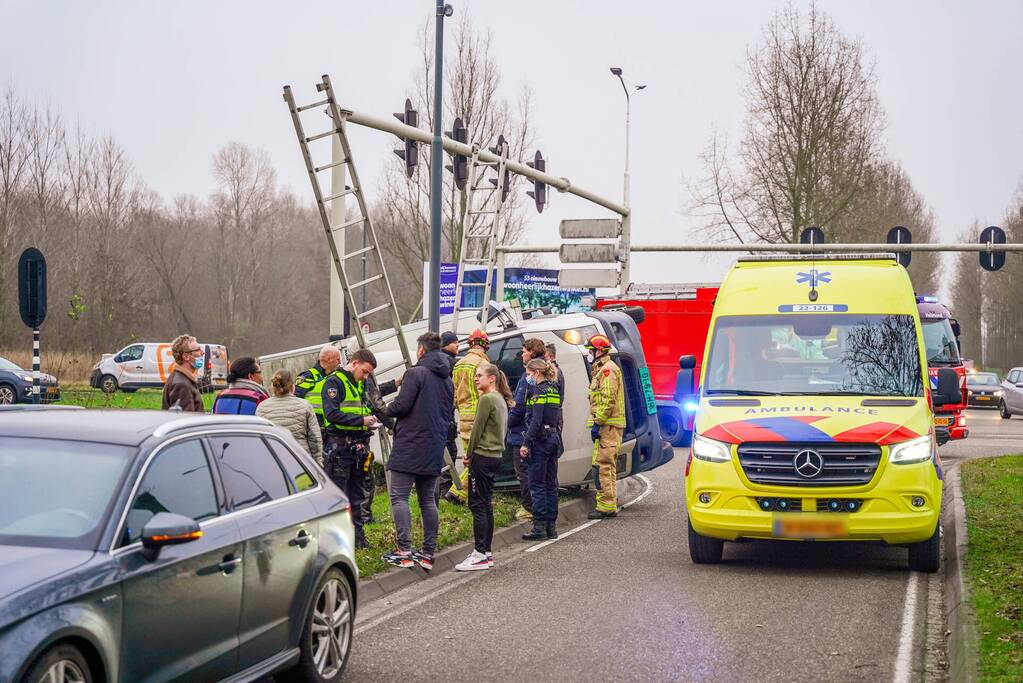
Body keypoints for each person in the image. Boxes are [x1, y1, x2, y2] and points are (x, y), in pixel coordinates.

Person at [381, 332, 455, 571]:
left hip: (410, 444)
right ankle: (427, 552)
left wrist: (382, 408)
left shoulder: (415, 373)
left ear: (421, 350)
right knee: (427, 501)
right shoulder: (447, 379)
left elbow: (401, 406)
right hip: (434, 446)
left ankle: (404, 550)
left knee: (399, 497)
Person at [455, 363, 514, 571]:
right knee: (486, 504)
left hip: (482, 456)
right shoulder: (500, 399)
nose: (475, 379)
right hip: (495, 455)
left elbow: (476, 429)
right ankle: (486, 552)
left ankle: (479, 553)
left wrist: (469, 455)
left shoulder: (487, 399)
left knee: (477, 504)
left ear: (492, 379)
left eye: (479, 375)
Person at [322, 348, 380, 549]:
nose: (365, 376)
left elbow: (365, 407)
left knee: (357, 495)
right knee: (339, 497)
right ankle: (336, 542)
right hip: (340, 448)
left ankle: (358, 540)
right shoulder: (334, 382)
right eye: (364, 371)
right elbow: (332, 414)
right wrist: (360, 420)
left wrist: (370, 420)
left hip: (358, 447)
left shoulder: (358, 384)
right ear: (354, 363)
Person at [519, 358, 564, 541]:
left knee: (537, 485)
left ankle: (539, 528)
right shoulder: (553, 389)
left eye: (529, 374)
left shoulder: (537, 391)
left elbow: (536, 420)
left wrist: (526, 443)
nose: (528, 377)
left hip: (540, 441)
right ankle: (551, 528)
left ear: (537, 373)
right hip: (553, 438)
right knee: (551, 485)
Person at [505, 337, 548, 520]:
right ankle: (542, 511)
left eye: (524, 351)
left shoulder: (528, 378)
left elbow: (520, 406)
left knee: (524, 473)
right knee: (541, 475)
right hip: (538, 432)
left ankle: (529, 509)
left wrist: (508, 421)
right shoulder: (550, 374)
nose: (521, 354)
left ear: (531, 352)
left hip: (522, 433)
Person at [446, 329, 490, 503]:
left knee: (470, 458)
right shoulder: (483, 364)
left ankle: (464, 495)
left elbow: (455, 393)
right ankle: (457, 493)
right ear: (485, 345)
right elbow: (485, 392)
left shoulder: (459, 364)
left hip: (463, 417)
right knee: (477, 459)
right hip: (478, 417)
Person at [586, 334, 626, 519]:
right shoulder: (602, 369)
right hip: (606, 426)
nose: (589, 353)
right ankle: (607, 503)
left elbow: (608, 400)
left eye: (591, 350)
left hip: (608, 426)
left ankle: (606, 506)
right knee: (604, 464)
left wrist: (598, 422)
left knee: (603, 465)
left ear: (599, 351)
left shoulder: (608, 371)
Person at [256, 369, 323, 463]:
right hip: (301, 459)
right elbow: (314, 438)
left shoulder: (262, 407)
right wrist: (317, 462)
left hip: (274, 460)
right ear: (293, 386)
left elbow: (260, 438)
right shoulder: (304, 405)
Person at [295, 345, 343, 434]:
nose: (339, 362)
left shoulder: (336, 377)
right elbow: (296, 402)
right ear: (329, 359)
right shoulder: (308, 376)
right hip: (313, 427)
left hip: (331, 429)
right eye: (337, 359)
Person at [162, 334, 205, 412]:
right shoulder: (182, 384)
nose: (202, 353)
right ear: (186, 356)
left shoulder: (183, 379)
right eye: (198, 350)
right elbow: (186, 420)